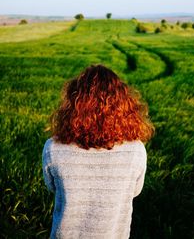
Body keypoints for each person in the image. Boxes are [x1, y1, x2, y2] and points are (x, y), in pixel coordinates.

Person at [42, 64, 155, 239]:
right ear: (123, 105)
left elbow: (53, 187)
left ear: (73, 103)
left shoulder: (53, 148)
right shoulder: (135, 150)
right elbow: (135, 191)